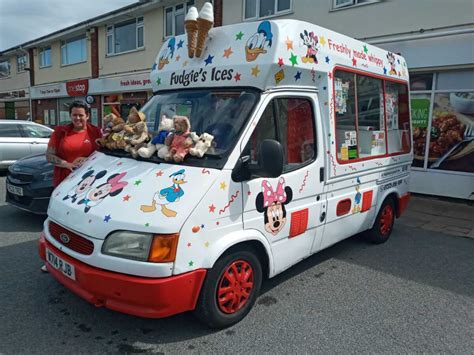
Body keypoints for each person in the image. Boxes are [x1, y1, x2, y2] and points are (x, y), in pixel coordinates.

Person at [41, 100, 102, 272]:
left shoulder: (95, 131)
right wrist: (67, 164)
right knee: (57, 218)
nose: (77, 118)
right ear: (70, 116)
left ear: (87, 116)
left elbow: (104, 153)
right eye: (74, 114)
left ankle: (79, 258)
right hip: (64, 181)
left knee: (82, 223)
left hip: (89, 185)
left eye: (81, 115)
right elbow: (49, 155)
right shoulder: (61, 132)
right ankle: (51, 256)